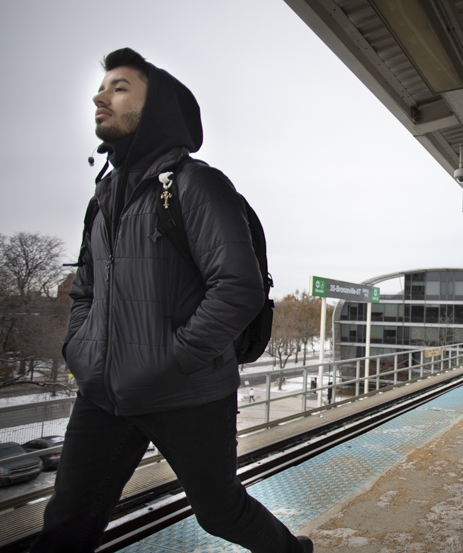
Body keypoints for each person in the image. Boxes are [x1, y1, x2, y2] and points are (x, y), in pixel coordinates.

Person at [30, 48, 312, 553]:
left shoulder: (195, 184)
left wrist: (173, 358)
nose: (100, 96)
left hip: (186, 394)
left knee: (220, 512)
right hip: (103, 394)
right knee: (67, 524)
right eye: (102, 87)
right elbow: (85, 287)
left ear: (155, 107)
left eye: (119, 88)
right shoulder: (104, 196)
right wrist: (81, 345)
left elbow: (239, 287)